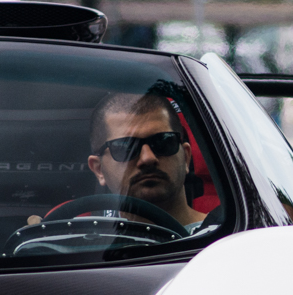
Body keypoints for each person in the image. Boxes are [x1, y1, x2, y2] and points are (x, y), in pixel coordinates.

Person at [86, 91, 207, 228]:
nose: (148, 158)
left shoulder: (229, 239)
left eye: (163, 142)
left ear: (186, 157)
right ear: (99, 169)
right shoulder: (77, 245)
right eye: (127, 147)